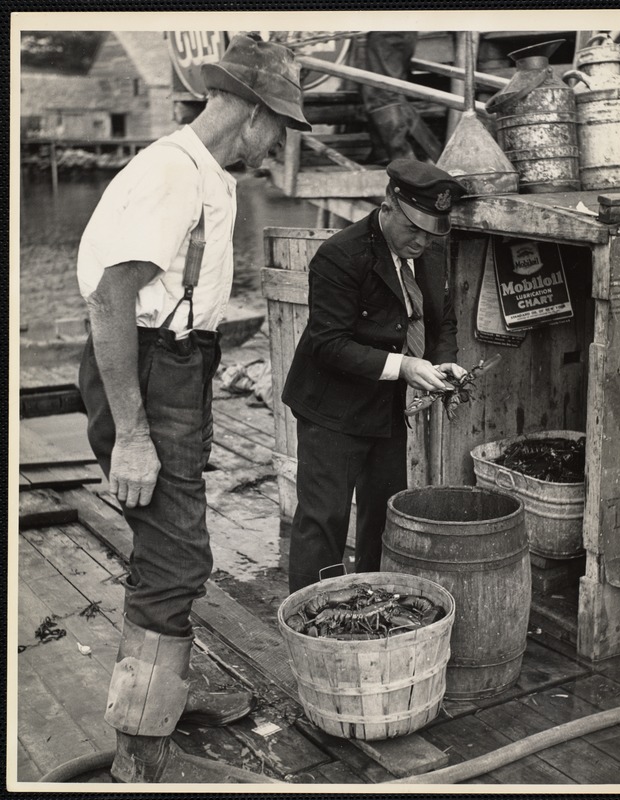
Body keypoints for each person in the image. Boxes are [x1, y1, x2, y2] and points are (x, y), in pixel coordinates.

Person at [76, 33, 310, 784]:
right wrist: (134, 437)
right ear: (247, 109)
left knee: (173, 543)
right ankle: (141, 750)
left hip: (176, 364)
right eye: (278, 124)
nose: (278, 143)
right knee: (175, 556)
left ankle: (166, 694)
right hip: (144, 371)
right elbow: (112, 302)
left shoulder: (205, 172)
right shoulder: (174, 174)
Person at [282, 159, 467, 593]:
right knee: (324, 518)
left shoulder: (433, 249)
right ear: (388, 207)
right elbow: (329, 344)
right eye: (415, 230)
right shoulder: (341, 256)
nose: (423, 241)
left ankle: (372, 601)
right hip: (331, 407)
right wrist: (404, 367)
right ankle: (311, 617)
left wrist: (445, 363)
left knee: (383, 514)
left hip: (384, 407)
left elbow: (444, 320)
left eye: (433, 231)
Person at [358, 32, 442, 163]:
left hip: (385, 29)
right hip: (405, 30)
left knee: (381, 93)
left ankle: (401, 155)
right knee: (391, 91)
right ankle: (383, 152)